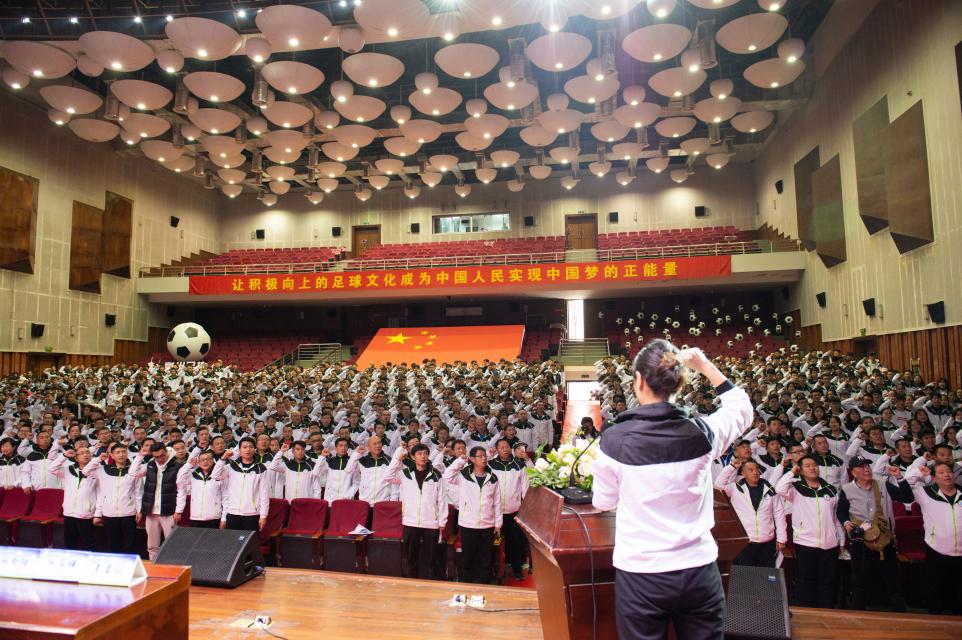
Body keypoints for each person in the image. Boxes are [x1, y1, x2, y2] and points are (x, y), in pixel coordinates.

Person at [591, 341, 752, 640]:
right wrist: (705, 366)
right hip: (699, 570)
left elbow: (603, 501)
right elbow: (742, 408)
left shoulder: (614, 441)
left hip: (641, 573)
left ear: (638, 381)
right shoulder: (704, 434)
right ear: (679, 383)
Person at [836, 455, 908, 611]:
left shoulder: (883, 484)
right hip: (860, 541)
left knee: (893, 580)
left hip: (884, 540)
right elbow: (841, 512)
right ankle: (857, 614)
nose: (866, 469)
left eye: (867, 466)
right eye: (861, 467)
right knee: (858, 581)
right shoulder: (847, 489)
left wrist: (899, 477)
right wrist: (847, 523)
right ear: (853, 472)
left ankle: (900, 615)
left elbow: (907, 497)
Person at [775, 455, 845, 608]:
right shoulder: (796, 488)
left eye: (814, 465)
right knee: (805, 582)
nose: (813, 468)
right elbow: (779, 488)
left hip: (830, 544)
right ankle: (806, 614)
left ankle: (826, 613)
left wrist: (842, 539)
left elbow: (835, 517)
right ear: (800, 470)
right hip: (806, 543)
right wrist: (792, 471)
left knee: (828, 582)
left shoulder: (831, 489)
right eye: (807, 465)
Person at [902, 455, 962, 614]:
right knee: (936, 590)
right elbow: (907, 482)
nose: (947, 475)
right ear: (934, 478)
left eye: (949, 471)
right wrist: (921, 469)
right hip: (937, 550)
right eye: (941, 472)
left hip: (961, 552)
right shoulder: (925, 494)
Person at [384, 442, 447, 579]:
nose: (423, 456)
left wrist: (442, 521)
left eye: (425, 453)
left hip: (431, 523)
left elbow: (442, 500)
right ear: (413, 457)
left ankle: (430, 582)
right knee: (411, 557)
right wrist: (397, 460)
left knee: (431, 558)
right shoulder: (405, 474)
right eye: (419, 454)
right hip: (410, 522)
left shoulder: (436, 475)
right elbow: (387, 477)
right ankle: (411, 582)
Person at [444, 446, 502, 584]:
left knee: (485, 557)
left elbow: (497, 503)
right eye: (480, 456)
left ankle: (483, 583)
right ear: (472, 459)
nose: (483, 458)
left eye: (484, 456)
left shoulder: (492, 478)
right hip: (468, 523)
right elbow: (447, 476)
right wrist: (459, 461)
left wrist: (498, 524)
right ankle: (466, 582)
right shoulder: (463, 476)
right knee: (468, 556)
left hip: (487, 524)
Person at [714, 458, 787, 567]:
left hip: (767, 541)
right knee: (743, 575)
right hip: (745, 542)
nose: (755, 472)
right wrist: (731, 467)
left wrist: (781, 538)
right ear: (743, 473)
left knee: (764, 577)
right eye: (751, 470)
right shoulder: (735, 488)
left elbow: (779, 514)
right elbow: (718, 485)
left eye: (757, 470)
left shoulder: (770, 490)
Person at [83, 443, 142, 553]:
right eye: (118, 452)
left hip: (128, 512)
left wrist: (139, 510)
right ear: (112, 455)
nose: (121, 455)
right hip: (109, 512)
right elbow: (85, 471)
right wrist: (98, 459)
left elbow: (138, 492)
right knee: (112, 544)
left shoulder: (133, 470)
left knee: (130, 544)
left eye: (124, 452)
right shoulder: (103, 469)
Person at [488, 438, 530, 580]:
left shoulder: (519, 465)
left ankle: (516, 568)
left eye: (507, 447)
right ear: (497, 450)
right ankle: (495, 569)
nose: (505, 449)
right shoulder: (491, 465)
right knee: (495, 542)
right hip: (495, 511)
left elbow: (525, 487)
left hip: (514, 510)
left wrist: (525, 507)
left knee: (515, 541)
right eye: (501, 447)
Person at [138, 441, 183, 561]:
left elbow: (182, 491)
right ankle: (154, 567)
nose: (159, 459)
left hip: (168, 511)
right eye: (156, 457)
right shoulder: (150, 464)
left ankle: (173, 568)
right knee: (152, 545)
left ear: (167, 452)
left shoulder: (177, 466)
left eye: (162, 455)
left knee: (172, 544)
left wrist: (178, 510)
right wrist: (140, 456)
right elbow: (132, 473)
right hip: (151, 511)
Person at [213, 437, 270, 531]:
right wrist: (223, 458)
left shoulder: (261, 468)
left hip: (252, 514)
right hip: (232, 513)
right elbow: (215, 475)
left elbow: (264, 494)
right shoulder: (231, 466)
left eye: (251, 447)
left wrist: (263, 515)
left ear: (254, 449)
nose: (248, 449)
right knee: (232, 544)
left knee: (250, 544)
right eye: (244, 447)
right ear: (239, 450)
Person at [49, 448, 99, 551]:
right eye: (82, 453)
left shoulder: (98, 471)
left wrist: (98, 513)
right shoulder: (68, 470)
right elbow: (52, 468)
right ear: (76, 457)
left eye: (87, 453)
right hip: (69, 512)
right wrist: (64, 456)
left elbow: (101, 494)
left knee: (88, 542)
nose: (85, 455)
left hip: (86, 513)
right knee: (70, 543)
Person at [175, 450, 224, 528]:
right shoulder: (193, 475)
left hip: (214, 517)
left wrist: (224, 518)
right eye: (202, 460)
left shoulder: (219, 475)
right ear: (199, 462)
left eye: (208, 459)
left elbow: (226, 497)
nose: (205, 462)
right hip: (195, 517)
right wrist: (188, 465)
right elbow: (179, 480)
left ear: (213, 460)